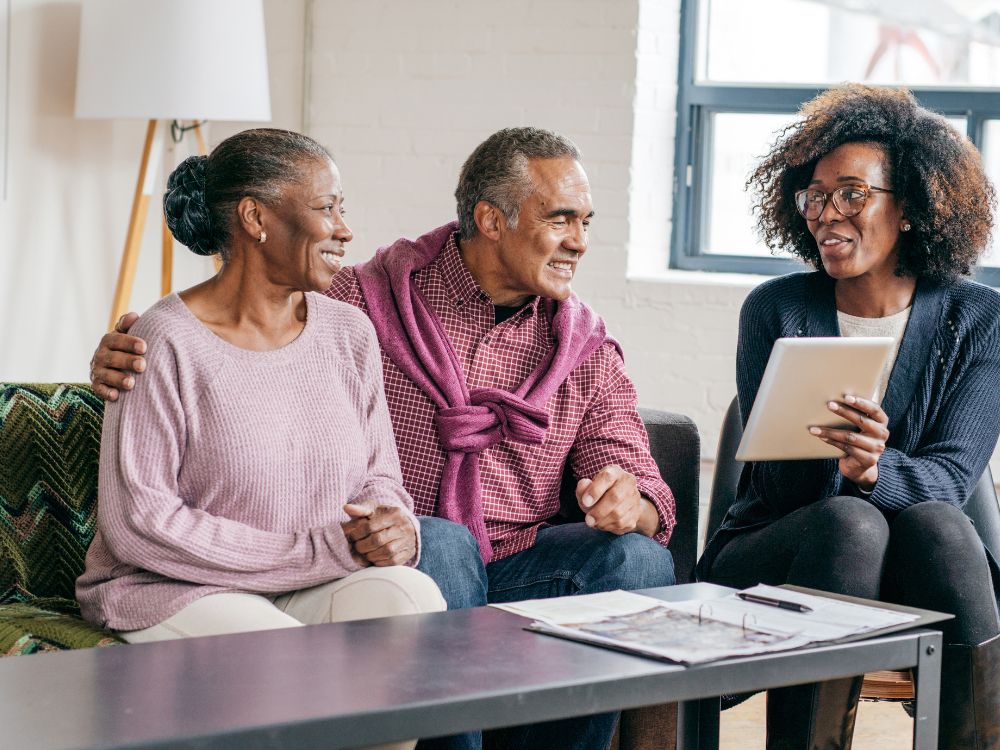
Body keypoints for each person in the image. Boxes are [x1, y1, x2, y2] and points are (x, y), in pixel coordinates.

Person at [90, 127, 677, 750]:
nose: (580, 243)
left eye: (586, 221)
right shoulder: (369, 298)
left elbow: (628, 463)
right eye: (562, 220)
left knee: (640, 560)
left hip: (515, 568)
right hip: (416, 560)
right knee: (443, 545)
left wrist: (627, 497)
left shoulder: (581, 344)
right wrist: (121, 351)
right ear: (491, 220)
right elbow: (243, 317)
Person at [78, 128, 445, 750]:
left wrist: (394, 524)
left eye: (342, 209)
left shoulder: (349, 333)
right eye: (327, 208)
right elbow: (140, 522)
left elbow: (380, 475)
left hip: (308, 581)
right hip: (176, 590)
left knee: (412, 601)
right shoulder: (161, 342)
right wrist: (312, 552)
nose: (345, 229)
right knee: (283, 655)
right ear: (256, 217)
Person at [696, 84, 1000, 749]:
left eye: (853, 193)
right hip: (790, 547)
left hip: (923, 560)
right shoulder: (776, 310)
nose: (827, 212)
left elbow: (950, 479)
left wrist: (875, 469)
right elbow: (778, 493)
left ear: (913, 208)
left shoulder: (981, 319)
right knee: (850, 522)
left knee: (943, 525)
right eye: (816, 195)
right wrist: (847, 475)